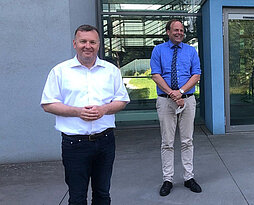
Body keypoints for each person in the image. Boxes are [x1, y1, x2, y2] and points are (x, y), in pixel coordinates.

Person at [41, 24, 130, 205]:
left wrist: (104, 109)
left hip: (105, 142)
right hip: (75, 144)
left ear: (98, 45)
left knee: (103, 194)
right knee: (77, 197)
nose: (87, 46)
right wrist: (78, 112)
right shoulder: (60, 71)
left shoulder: (110, 70)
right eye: (83, 41)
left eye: (92, 42)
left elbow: (122, 100)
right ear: (75, 43)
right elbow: (48, 104)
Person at [150, 19, 202, 197]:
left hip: (187, 100)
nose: (179, 32)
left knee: (187, 141)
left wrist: (180, 92)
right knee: (167, 142)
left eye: (181, 30)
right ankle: (168, 179)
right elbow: (155, 75)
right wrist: (172, 94)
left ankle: (189, 177)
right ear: (168, 32)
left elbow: (196, 74)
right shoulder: (158, 50)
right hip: (165, 101)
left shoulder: (191, 51)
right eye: (175, 30)